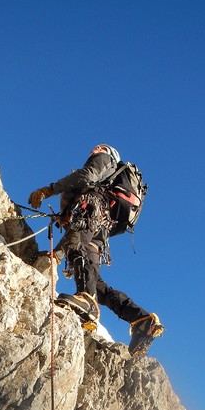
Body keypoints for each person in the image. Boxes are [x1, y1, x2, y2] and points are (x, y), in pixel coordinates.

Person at [28, 144, 164, 357]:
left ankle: (87, 302)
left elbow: (87, 175)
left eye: (98, 148)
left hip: (92, 209)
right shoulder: (117, 184)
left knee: (80, 254)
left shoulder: (105, 158)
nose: (94, 149)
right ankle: (142, 320)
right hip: (101, 226)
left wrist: (48, 190)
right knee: (96, 283)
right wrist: (57, 255)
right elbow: (75, 237)